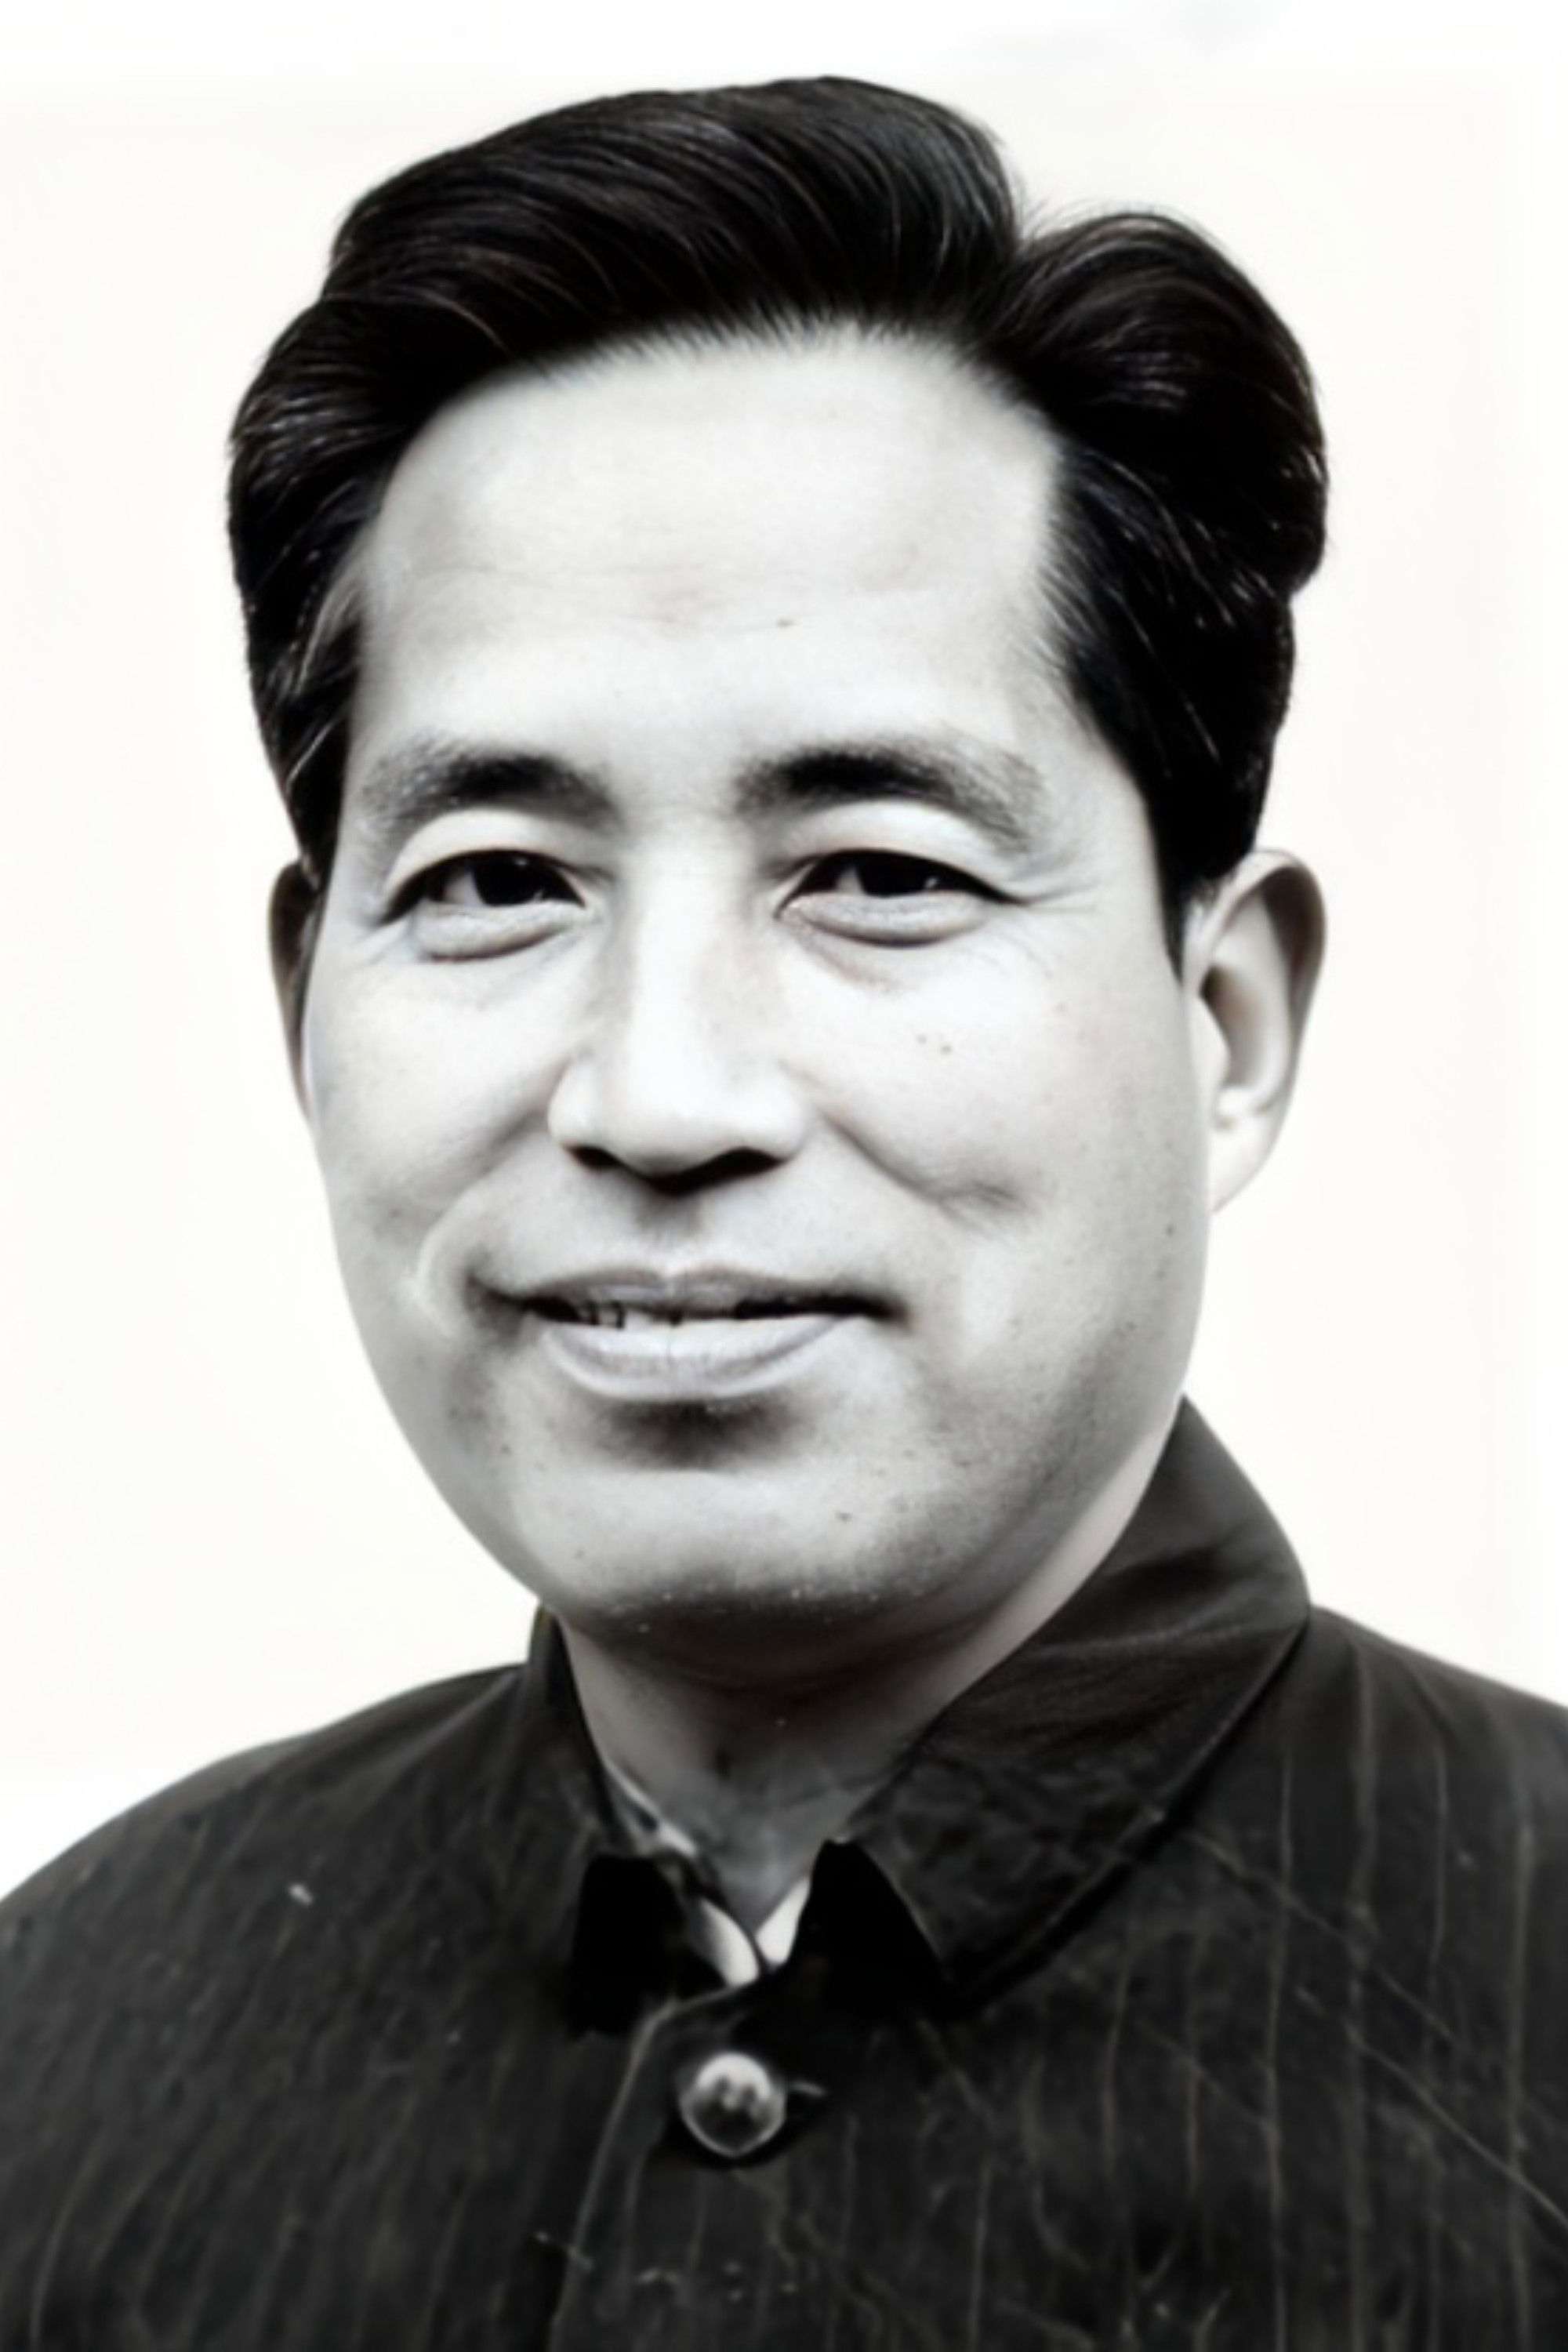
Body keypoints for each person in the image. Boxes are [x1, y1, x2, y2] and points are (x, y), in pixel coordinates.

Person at [2, 74, 1565, 2349]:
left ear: (1225, 1020)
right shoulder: (63, 2054)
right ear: (306, 1015)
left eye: (879, 874)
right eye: (496, 882)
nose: (660, 1094)